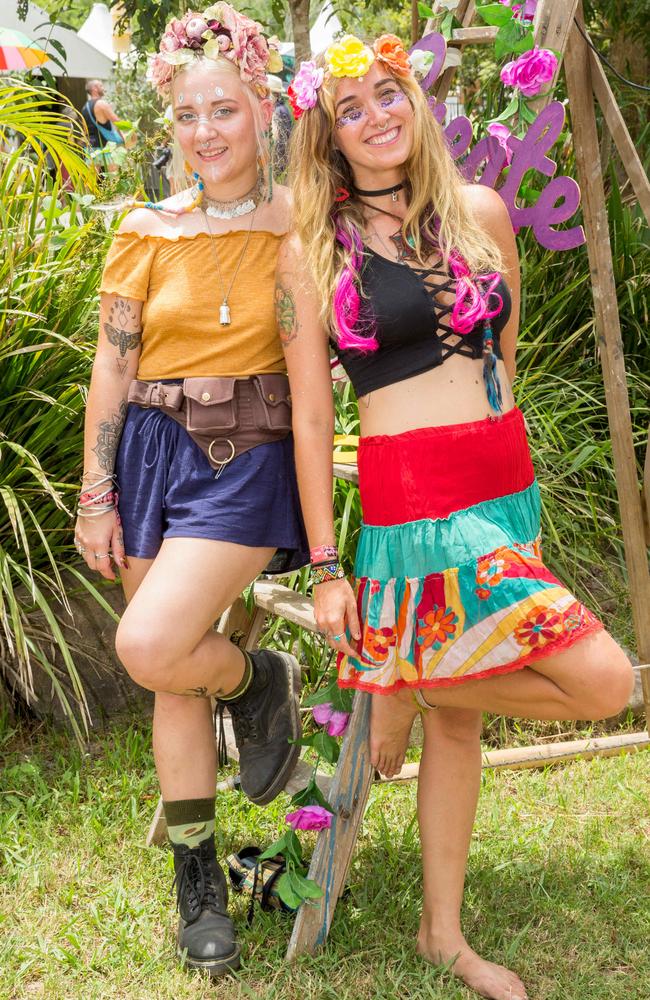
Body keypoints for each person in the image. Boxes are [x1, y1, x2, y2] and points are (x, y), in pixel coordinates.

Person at [277, 34, 634, 1000]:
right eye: (350, 108)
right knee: (606, 681)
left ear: (414, 99)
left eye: (387, 94)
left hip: (500, 484)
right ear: (328, 136)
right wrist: (325, 567)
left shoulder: (478, 212)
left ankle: (443, 931)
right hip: (416, 497)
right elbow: (313, 418)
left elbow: (502, 364)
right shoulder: (312, 249)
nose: (376, 116)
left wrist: (521, 498)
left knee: (462, 724)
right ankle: (428, 679)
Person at [74, 5, 307, 977]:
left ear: (262, 113)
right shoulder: (143, 229)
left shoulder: (297, 222)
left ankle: (259, 681)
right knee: (170, 674)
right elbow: (112, 365)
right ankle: (197, 882)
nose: (206, 130)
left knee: (152, 644)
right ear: (168, 122)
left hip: (244, 458)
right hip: (148, 457)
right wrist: (96, 490)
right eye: (188, 113)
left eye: (226, 109)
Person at [81, 79, 124, 166]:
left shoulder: (85, 107)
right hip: (105, 147)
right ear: (94, 89)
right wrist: (124, 139)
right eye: (101, 86)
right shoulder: (101, 104)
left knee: (91, 178)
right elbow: (117, 122)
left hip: (90, 148)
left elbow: (84, 130)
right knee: (113, 177)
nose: (104, 88)